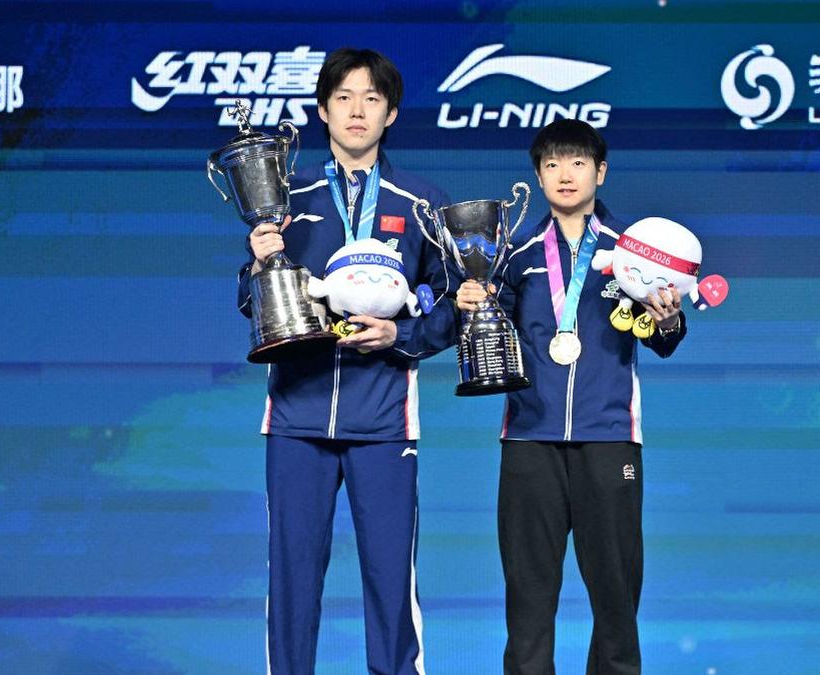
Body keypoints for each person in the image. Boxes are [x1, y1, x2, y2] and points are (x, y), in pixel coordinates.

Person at [238, 47, 455, 674]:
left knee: (391, 581)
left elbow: (452, 304)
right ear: (322, 110)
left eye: (371, 99)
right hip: (297, 415)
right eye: (343, 98)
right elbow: (247, 299)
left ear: (391, 113)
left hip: (384, 420)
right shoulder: (283, 195)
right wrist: (259, 263)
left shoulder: (422, 202)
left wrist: (400, 335)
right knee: (292, 579)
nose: (357, 111)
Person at [456, 119, 687, 674]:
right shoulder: (514, 251)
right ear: (538, 176)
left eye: (579, 162)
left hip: (609, 438)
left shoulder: (635, 249)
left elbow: (664, 339)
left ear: (600, 172)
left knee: (616, 596)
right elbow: (488, 331)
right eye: (553, 163)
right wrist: (472, 302)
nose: (566, 174)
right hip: (529, 439)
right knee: (528, 596)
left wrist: (667, 320)